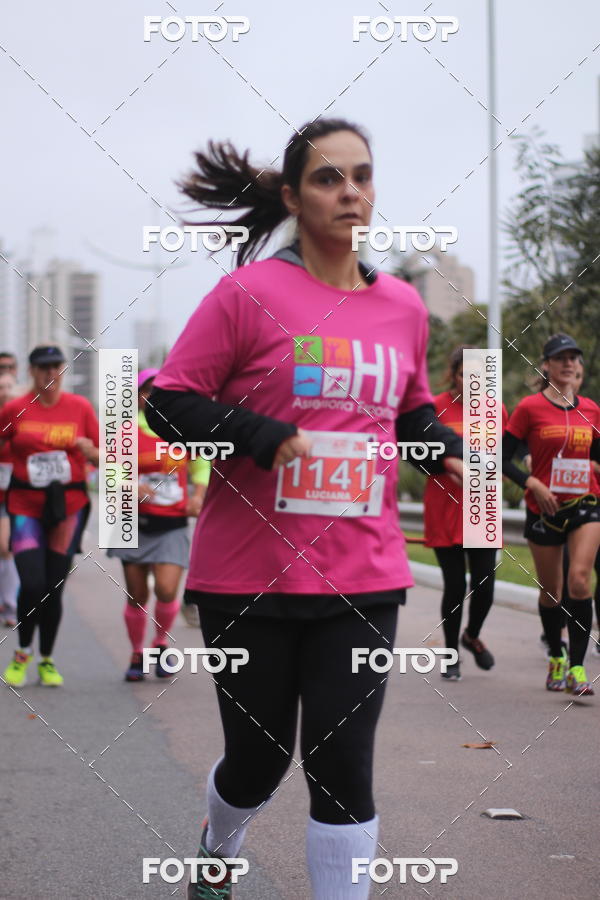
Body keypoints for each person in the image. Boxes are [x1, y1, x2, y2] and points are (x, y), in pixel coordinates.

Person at [146, 118, 463, 899]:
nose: (350, 191)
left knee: (340, 763)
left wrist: (441, 445)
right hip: (246, 578)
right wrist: (258, 433)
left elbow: (410, 409)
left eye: (362, 174)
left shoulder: (403, 308)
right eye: (328, 178)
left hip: (364, 572)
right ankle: (220, 843)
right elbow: (165, 402)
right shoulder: (247, 295)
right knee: (259, 762)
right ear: (293, 196)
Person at [503, 333, 600, 696]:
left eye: (574, 357)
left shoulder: (591, 409)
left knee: (579, 580)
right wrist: (534, 484)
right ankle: (556, 654)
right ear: (545, 365)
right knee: (552, 591)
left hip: (586, 506)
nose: (568, 363)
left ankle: (576, 667)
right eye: (560, 357)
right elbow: (502, 457)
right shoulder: (529, 408)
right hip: (543, 509)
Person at [0, 346, 99, 687]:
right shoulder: (15, 409)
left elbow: (106, 457)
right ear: (31, 371)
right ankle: (22, 652)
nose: (49, 374)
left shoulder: (81, 408)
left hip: (67, 507)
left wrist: (92, 452)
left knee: (53, 589)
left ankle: (46, 659)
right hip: (25, 505)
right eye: (42, 368)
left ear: (63, 370)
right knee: (32, 583)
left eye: (55, 367)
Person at [106, 369, 209, 681]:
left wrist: (199, 494)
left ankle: (160, 644)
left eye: (158, 390)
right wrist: (130, 487)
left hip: (172, 521)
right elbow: (111, 472)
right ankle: (137, 653)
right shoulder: (125, 432)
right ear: (137, 397)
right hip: (133, 520)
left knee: (165, 590)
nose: (152, 396)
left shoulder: (183, 429)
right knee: (136, 594)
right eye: (146, 390)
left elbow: (202, 462)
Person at [423, 346, 507, 681]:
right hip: (444, 504)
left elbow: (502, 454)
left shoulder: (496, 410)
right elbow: (421, 454)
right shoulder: (434, 406)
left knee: (485, 584)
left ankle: (471, 636)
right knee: (455, 585)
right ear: (453, 375)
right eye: (463, 375)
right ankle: (451, 653)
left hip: (482, 506)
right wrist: (447, 466)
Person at [0, 369, 19, 627]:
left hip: (14, 496)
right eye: (0, 387)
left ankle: (10, 604)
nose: (4, 392)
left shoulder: (22, 418)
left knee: (6, 549)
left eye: (8, 387)